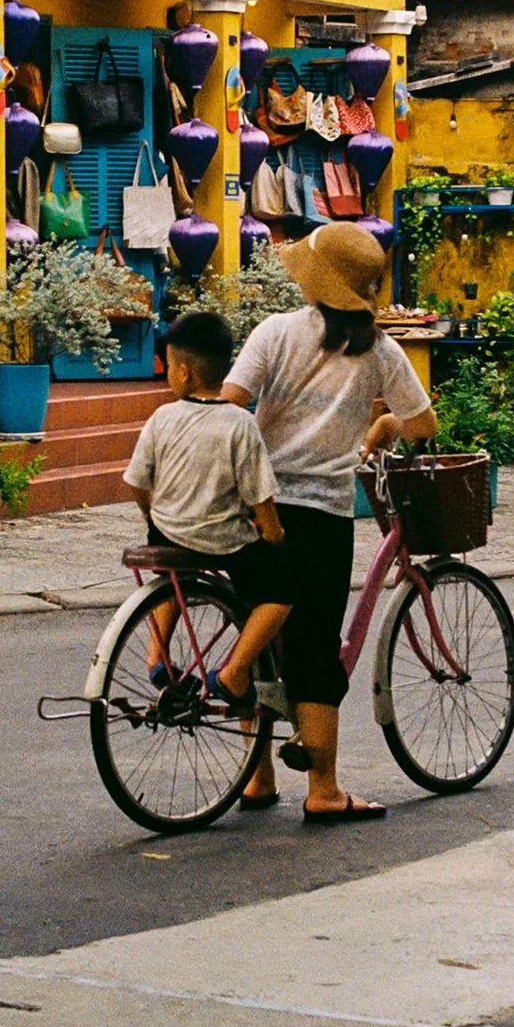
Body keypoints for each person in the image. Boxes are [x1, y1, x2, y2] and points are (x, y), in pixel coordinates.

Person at [222, 222, 436, 825]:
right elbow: (423, 424)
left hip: (257, 505)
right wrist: (387, 424)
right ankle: (323, 789)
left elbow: (231, 404)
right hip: (322, 515)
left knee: (256, 631)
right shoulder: (382, 352)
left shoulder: (276, 332)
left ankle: (257, 776)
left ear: (315, 282)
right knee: (314, 642)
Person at [123, 310, 293, 724]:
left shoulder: (162, 417)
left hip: (168, 533)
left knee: (172, 578)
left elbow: (137, 482)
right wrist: (274, 535)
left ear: (183, 372)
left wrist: (153, 514)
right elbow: (260, 499)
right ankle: (235, 672)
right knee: (284, 589)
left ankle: (156, 654)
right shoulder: (240, 424)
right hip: (221, 541)